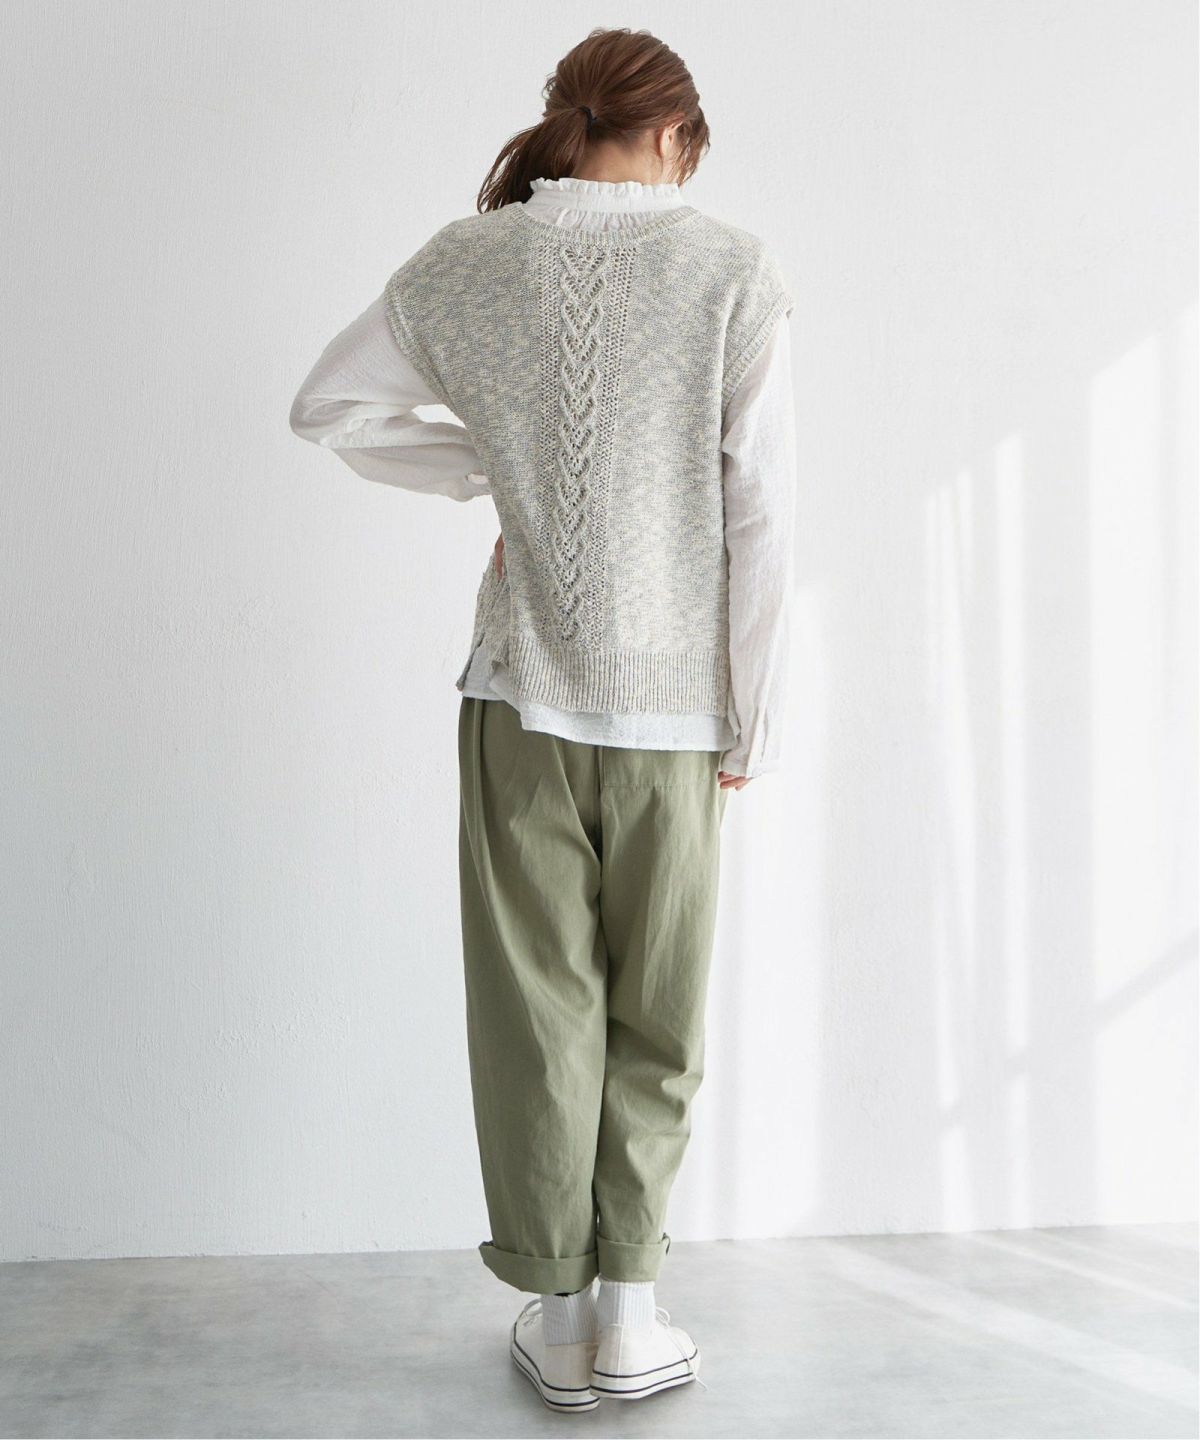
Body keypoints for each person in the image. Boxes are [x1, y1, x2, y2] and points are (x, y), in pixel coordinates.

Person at [290, 24, 796, 1414]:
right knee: (659, 1012)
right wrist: (751, 721)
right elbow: (762, 512)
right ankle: (632, 1311)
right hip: (674, 714)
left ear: (570, 120)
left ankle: (561, 1316)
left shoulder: (472, 259)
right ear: (675, 133)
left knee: (539, 1009)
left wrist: (490, 471)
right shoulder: (731, 269)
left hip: (518, 700)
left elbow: (327, 406)